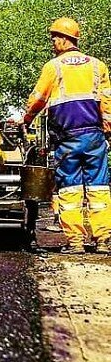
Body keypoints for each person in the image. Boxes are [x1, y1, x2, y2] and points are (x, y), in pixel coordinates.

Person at [22, 17, 111, 254]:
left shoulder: (54, 67)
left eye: (54, 37)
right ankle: (103, 240)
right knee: (99, 188)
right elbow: (107, 101)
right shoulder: (97, 66)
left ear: (64, 39)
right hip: (94, 137)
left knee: (69, 190)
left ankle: (76, 243)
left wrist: (26, 120)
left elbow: (38, 99)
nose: (52, 42)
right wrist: (107, 130)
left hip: (68, 139)